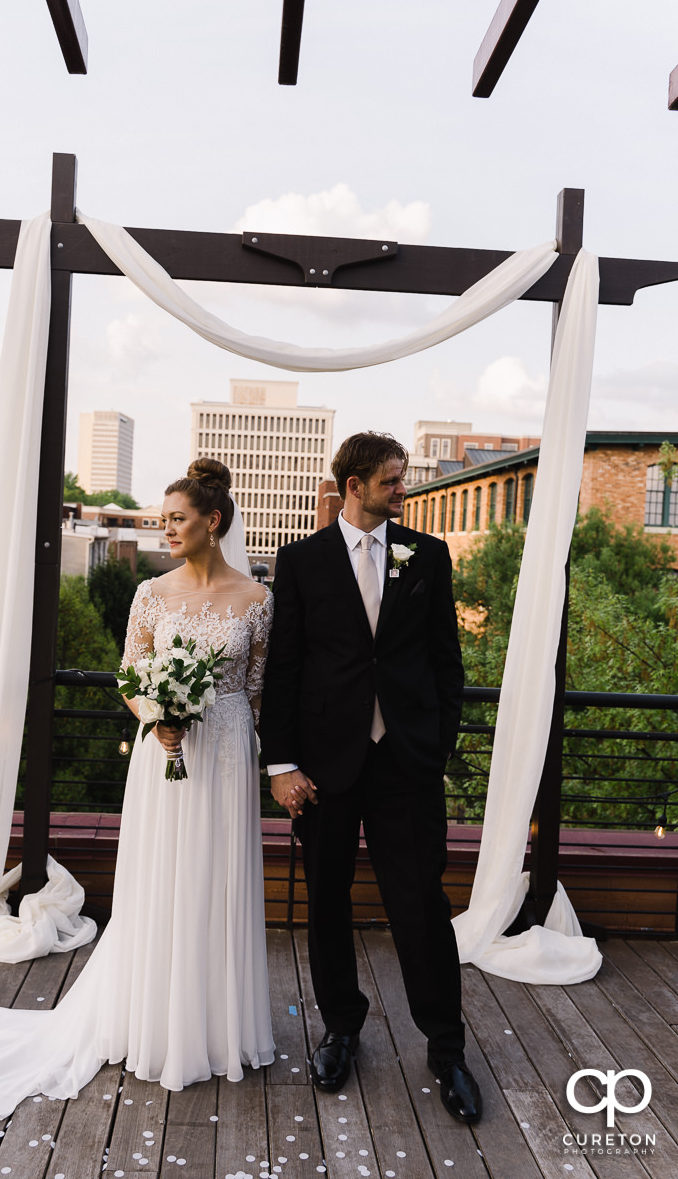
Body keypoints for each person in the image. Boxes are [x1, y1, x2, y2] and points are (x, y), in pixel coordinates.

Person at [0, 458, 274, 1117]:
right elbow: (130, 675)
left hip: (226, 759)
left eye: (177, 519)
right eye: (162, 519)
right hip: (162, 757)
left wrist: (220, 726)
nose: (165, 529)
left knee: (216, 880)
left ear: (212, 522)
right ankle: (150, 1019)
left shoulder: (257, 599)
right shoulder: (151, 594)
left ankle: (216, 1027)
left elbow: (253, 691)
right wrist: (158, 718)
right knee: (165, 878)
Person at [259, 431, 481, 1124]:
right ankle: (342, 1030)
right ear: (352, 486)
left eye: (402, 479)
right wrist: (282, 764)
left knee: (420, 903)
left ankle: (446, 1049)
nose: (402, 489)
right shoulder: (299, 562)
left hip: (405, 763)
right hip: (323, 766)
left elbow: (446, 659)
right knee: (327, 899)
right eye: (391, 481)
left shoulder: (428, 555)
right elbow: (286, 669)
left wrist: (437, 742)